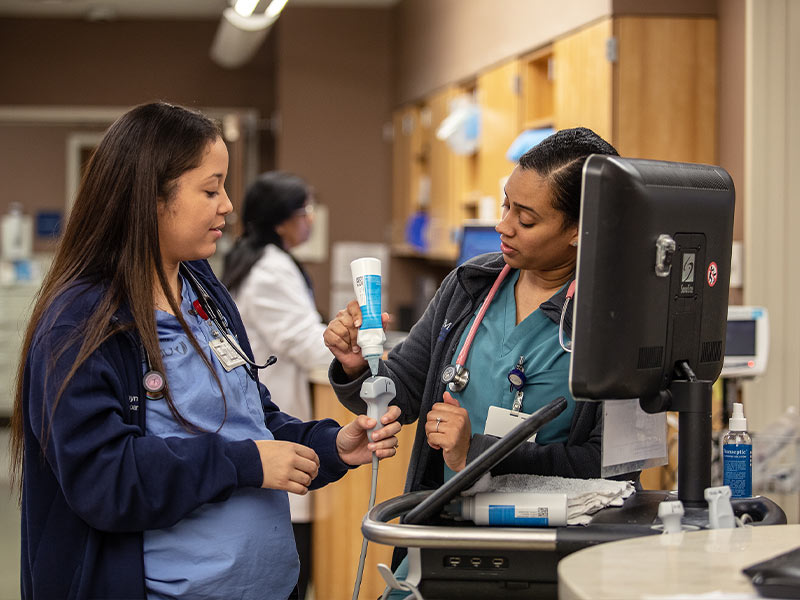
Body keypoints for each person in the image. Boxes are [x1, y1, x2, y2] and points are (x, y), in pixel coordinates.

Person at [8, 101, 401, 600]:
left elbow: (251, 419)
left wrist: (331, 446)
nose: (228, 205)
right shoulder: (81, 322)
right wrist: (245, 464)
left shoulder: (202, 292)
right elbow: (105, 480)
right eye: (211, 189)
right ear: (149, 197)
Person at [323, 127, 636, 590]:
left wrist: (477, 452)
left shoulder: (618, 320)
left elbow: (611, 472)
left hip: (550, 556)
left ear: (579, 229)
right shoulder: (470, 287)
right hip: (445, 533)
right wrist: (355, 365)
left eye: (526, 219)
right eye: (506, 205)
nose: (503, 226)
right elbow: (403, 390)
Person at [221, 171, 330, 600]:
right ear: (283, 220)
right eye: (305, 211)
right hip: (270, 426)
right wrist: (367, 352)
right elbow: (308, 346)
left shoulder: (261, 259)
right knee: (290, 563)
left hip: (266, 425)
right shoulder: (270, 269)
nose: (311, 220)